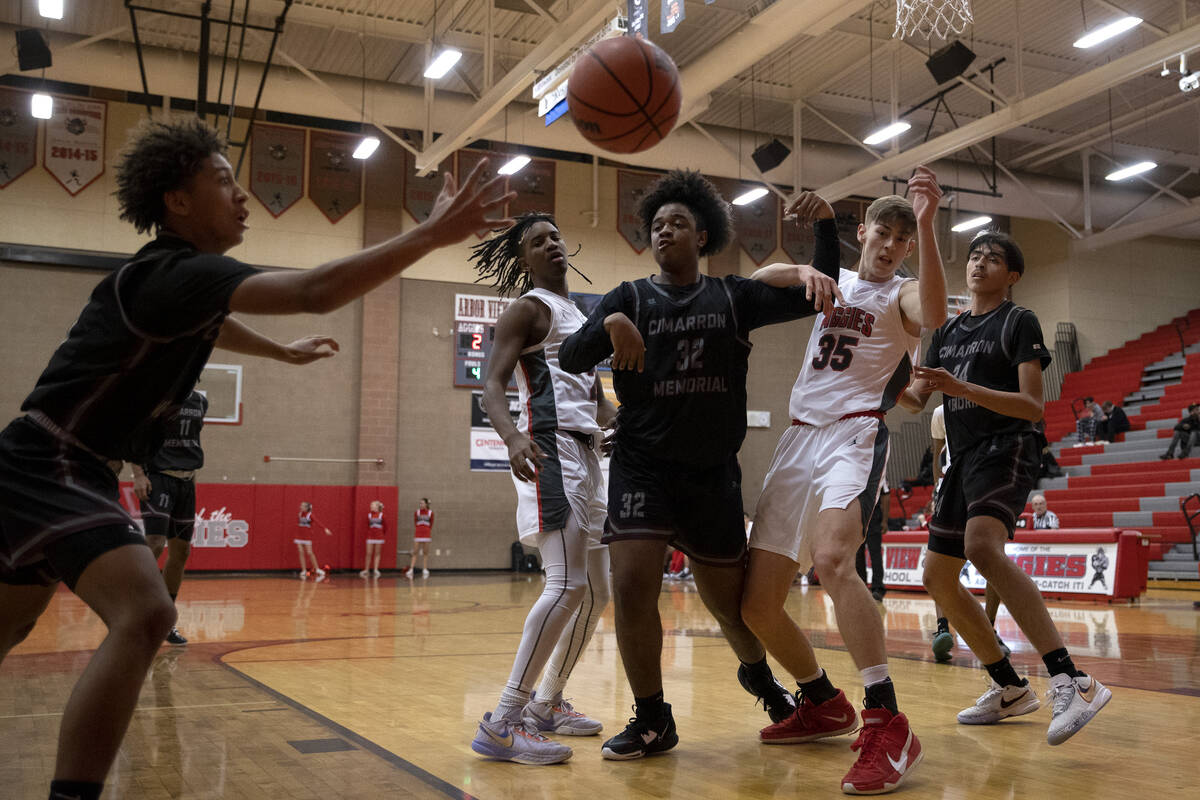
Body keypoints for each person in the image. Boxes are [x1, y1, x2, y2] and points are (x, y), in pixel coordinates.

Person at [0, 115, 513, 800]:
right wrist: (431, 234)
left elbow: (218, 322)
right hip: (54, 461)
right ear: (177, 202)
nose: (242, 196)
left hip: (43, 462)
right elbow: (313, 292)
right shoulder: (175, 274)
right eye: (223, 181)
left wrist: (281, 352)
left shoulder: (175, 282)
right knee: (148, 614)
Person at [559, 170, 843, 761]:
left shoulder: (734, 297)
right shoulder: (628, 298)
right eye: (658, 224)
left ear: (703, 234)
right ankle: (653, 719)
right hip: (641, 467)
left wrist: (824, 226)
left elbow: (820, 289)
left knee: (731, 608)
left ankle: (766, 684)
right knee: (633, 591)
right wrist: (608, 323)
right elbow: (569, 354)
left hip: (712, 476)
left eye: (678, 223)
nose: (665, 231)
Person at [741, 167, 945, 796]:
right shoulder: (837, 281)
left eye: (900, 239)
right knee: (755, 605)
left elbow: (933, 311)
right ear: (862, 233)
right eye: (882, 232)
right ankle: (825, 703)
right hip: (798, 434)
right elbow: (752, 283)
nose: (889, 245)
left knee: (832, 558)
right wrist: (801, 270)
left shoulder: (901, 294)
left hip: (853, 433)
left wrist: (929, 221)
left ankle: (887, 716)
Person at [899, 230, 1111, 746]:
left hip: (1008, 444)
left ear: (1012, 276)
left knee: (980, 548)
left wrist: (963, 388)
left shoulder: (1019, 321)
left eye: (993, 258)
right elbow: (914, 401)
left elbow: (1033, 405)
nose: (980, 263)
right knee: (937, 576)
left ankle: (1071, 679)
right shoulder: (946, 333)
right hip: (963, 458)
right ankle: (1010, 687)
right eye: (974, 256)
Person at [467, 213, 615, 765]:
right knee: (567, 584)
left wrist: (611, 420)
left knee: (598, 591)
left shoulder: (581, 314)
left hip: (587, 449)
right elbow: (492, 382)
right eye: (538, 241)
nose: (552, 244)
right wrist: (510, 438)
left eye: (556, 235)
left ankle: (547, 704)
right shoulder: (528, 309)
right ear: (524, 259)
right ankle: (503, 721)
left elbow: (591, 393)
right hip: (548, 449)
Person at [132, 388, 210, 645]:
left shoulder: (200, 400)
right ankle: (132, 613)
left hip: (186, 482)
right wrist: (139, 474)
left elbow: (192, 442)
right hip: (159, 478)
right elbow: (137, 435)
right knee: (154, 543)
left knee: (181, 552)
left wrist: (191, 482)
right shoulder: (158, 396)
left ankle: (166, 622)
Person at [855, 477, 888, 602]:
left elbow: (886, 495)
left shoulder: (880, 473)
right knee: (858, 554)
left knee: (875, 553)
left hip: (874, 517)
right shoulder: (855, 471)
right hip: (858, 516)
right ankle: (861, 586)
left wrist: (885, 521)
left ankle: (878, 588)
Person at [295, 501, 333, 578]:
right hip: (299, 536)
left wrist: (325, 529)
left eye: (302, 506)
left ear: (306, 508)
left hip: (307, 537)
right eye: (301, 505)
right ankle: (303, 570)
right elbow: (299, 524)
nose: (300, 507)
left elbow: (318, 522)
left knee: (309, 552)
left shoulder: (310, 515)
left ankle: (317, 568)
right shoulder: (299, 514)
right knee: (301, 552)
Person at [407, 498, 433, 578]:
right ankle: (411, 569)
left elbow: (431, 524)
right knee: (415, 552)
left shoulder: (431, 513)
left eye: (422, 503)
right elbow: (415, 522)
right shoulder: (417, 512)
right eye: (420, 503)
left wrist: (426, 530)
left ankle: (425, 568)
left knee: (425, 552)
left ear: (426, 504)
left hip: (426, 534)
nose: (421, 505)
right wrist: (419, 529)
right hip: (418, 534)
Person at [360, 500, 386, 578]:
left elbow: (386, 526)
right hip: (370, 536)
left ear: (377, 507)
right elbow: (367, 525)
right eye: (371, 505)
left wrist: (381, 534)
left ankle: (375, 569)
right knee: (368, 553)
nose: (371, 506)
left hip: (379, 537)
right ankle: (366, 569)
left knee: (377, 553)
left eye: (373, 505)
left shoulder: (382, 515)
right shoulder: (369, 515)